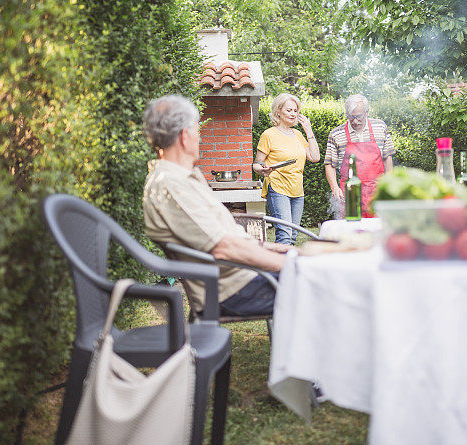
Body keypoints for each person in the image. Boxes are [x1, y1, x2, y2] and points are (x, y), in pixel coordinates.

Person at [142, 95, 290, 317]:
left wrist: (285, 250)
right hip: (234, 289)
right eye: (197, 131)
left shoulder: (182, 178)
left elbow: (228, 238)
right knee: (328, 285)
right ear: (185, 136)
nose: (199, 138)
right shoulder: (171, 185)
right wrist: (291, 265)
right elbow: (225, 247)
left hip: (243, 278)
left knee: (324, 273)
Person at [253, 93, 320, 244]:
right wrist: (262, 170)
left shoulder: (297, 134)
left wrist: (308, 130)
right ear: (278, 111)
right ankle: (278, 267)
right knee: (284, 234)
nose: (293, 114)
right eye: (289, 110)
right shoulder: (269, 135)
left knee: (293, 236)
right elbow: (257, 164)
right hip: (278, 188)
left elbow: (315, 157)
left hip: (297, 190)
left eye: (295, 110)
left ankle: (286, 266)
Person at [324, 94, 395, 217]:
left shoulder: (380, 127)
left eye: (359, 116)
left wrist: (389, 185)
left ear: (367, 112)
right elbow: (330, 164)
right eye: (351, 117)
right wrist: (335, 188)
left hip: (377, 193)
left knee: (378, 231)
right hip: (349, 194)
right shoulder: (336, 134)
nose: (355, 121)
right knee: (350, 231)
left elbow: (387, 157)